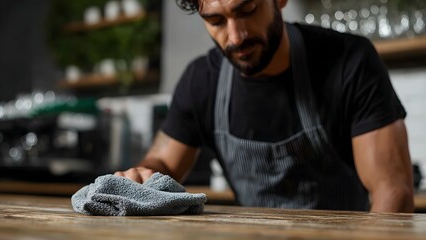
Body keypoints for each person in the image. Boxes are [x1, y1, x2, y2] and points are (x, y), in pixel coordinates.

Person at [115, 0, 414, 212]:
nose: (235, 36)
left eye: (247, 10)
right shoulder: (201, 81)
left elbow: (392, 190)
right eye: (216, 21)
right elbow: (163, 164)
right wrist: (141, 177)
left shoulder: (351, 62)